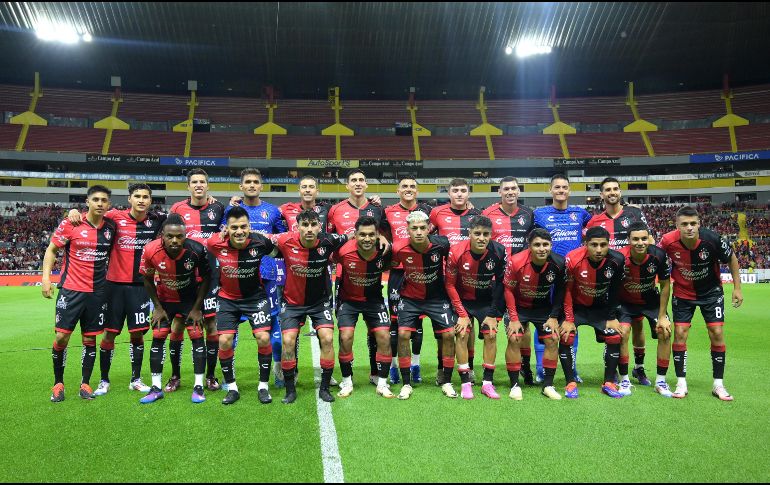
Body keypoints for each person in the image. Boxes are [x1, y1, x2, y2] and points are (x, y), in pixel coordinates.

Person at [66, 183, 163, 395]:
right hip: (113, 287)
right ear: (129, 199)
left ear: (150, 200)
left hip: (140, 287)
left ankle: (136, 379)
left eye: (145, 197)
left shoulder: (157, 220)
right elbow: (93, 213)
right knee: (109, 334)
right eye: (137, 196)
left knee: (138, 335)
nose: (141, 200)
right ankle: (104, 380)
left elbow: (178, 219)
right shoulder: (114, 217)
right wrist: (74, 212)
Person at [658, 206, 743, 401]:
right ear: (677, 226)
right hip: (682, 292)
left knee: (717, 333)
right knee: (679, 333)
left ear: (699, 224)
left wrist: (737, 288)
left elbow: (731, 259)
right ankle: (681, 382)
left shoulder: (712, 239)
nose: (689, 228)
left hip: (711, 293)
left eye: (693, 223)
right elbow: (656, 257)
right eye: (685, 224)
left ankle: (718, 384)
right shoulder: (668, 241)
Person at [43, 185, 116, 402]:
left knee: (89, 338)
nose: (100, 203)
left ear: (109, 205)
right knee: (62, 336)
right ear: (87, 202)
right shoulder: (71, 223)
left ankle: (85, 383)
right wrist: (46, 279)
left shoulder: (111, 226)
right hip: (71, 290)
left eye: (104, 200)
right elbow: (51, 250)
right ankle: (58, 383)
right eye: (96, 199)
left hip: (97, 292)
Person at [270, 210, 349, 404]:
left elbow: (352, 234)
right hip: (293, 303)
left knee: (328, 338)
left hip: (319, 303)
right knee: (288, 341)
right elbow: (263, 236)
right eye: (305, 225)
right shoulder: (285, 240)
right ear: (297, 227)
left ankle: (324, 388)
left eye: (314, 225)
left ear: (319, 226)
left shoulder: (329, 240)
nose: (309, 229)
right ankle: (290, 390)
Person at [207, 206, 278, 405]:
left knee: (263, 338)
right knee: (224, 341)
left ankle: (263, 386)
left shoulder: (260, 242)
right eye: (234, 227)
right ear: (226, 229)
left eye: (244, 226)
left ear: (250, 227)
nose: (239, 231)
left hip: (255, 298)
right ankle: (232, 388)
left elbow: (277, 253)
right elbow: (209, 243)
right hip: (227, 299)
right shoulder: (215, 243)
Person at [225, 168, 287, 389]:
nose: (252, 185)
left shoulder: (272, 211)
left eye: (256, 182)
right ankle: (227, 377)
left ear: (261, 186)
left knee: (272, 328)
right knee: (229, 332)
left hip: (266, 275)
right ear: (241, 186)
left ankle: (278, 372)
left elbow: (283, 237)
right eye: (247, 182)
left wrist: (271, 237)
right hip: (236, 276)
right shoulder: (230, 211)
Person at [139, 214, 211, 404]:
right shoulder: (150, 250)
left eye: (179, 236)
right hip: (165, 301)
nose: (175, 240)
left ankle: (198, 386)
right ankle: (156, 388)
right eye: (170, 236)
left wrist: (197, 308)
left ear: (185, 236)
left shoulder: (196, 250)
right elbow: (146, 278)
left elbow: (206, 279)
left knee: (196, 336)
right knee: (159, 336)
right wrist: (157, 307)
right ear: (162, 235)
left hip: (190, 300)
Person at [586, 177, 652, 385]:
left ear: (620, 192)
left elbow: (649, 240)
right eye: (607, 190)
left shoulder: (634, 214)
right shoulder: (594, 221)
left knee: (638, 326)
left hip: (635, 280)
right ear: (601, 195)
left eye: (615, 189)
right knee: (615, 326)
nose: (612, 192)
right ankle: (613, 368)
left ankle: (639, 368)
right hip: (608, 283)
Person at [169, 169, 226, 392]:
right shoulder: (177, 209)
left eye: (202, 181)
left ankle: (210, 375)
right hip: (183, 277)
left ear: (208, 185)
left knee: (211, 325)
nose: (199, 185)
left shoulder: (218, 208)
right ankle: (175, 375)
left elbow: (227, 228)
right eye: (194, 182)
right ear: (188, 186)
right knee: (178, 324)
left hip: (210, 275)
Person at [391, 211, 457, 400]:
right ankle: (406, 383)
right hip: (410, 298)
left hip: (437, 298)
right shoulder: (398, 247)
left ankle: (446, 381)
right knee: (403, 334)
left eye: (422, 228)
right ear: (407, 230)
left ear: (429, 228)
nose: (419, 232)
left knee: (449, 334)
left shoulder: (442, 244)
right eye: (414, 228)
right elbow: (392, 264)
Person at [327, 169, 386, 378]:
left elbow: (385, 237)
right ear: (347, 185)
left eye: (362, 180)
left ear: (367, 184)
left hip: (371, 276)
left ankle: (375, 372)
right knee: (345, 332)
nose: (358, 183)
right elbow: (329, 239)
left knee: (375, 329)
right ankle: (346, 376)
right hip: (345, 277)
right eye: (354, 180)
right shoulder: (335, 210)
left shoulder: (377, 209)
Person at [533, 174, 592, 383]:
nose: (560, 190)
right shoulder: (539, 214)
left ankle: (572, 368)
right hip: (547, 277)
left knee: (570, 322)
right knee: (544, 321)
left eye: (564, 187)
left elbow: (594, 230)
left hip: (572, 278)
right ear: (550, 190)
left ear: (569, 190)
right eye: (557, 187)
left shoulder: (581, 213)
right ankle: (541, 369)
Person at [444, 216, 507, 400]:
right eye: (477, 233)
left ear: (491, 235)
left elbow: (502, 284)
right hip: (462, 301)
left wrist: (493, 314)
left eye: (486, 234)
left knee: (491, 333)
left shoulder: (499, 251)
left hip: (486, 302)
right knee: (462, 333)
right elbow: (449, 285)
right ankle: (465, 383)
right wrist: (462, 314)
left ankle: (487, 383)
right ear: (469, 233)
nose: (481, 238)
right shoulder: (456, 251)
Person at [561, 226, 626, 399]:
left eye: (603, 245)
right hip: (576, 308)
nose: (598, 250)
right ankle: (570, 383)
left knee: (615, 335)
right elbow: (566, 290)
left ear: (608, 245)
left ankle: (609, 383)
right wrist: (568, 318)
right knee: (566, 335)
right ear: (585, 244)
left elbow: (614, 291)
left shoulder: (617, 260)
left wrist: (611, 317)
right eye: (594, 245)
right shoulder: (572, 259)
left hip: (601, 308)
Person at [482, 176, 536, 384]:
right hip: (494, 279)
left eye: (514, 188)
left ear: (519, 191)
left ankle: (526, 366)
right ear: (500, 192)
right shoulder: (488, 213)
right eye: (506, 189)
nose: (510, 191)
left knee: (524, 326)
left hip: (522, 279)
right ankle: (487, 372)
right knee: (491, 324)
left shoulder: (528, 214)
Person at [503, 228, 567, 400]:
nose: (542, 248)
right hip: (518, 307)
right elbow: (508, 290)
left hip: (543, 309)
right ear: (529, 246)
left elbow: (560, 291)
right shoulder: (516, 261)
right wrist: (514, 319)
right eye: (537, 245)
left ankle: (548, 385)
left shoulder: (559, 263)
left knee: (553, 339)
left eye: (546, 245)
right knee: (514, 337)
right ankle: (515, 385)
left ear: (551, 245)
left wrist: (554, 317)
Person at [334, 216, 394, 398]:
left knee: (384, 336)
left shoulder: (385, 250)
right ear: (355, 235)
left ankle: (382, 382)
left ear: (377, 235)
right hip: (348, 300)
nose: (367, 239)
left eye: (371, 235)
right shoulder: (343, 251)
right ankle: (347, 381)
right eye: (362, 235)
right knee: (345, 337)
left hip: (374, 300)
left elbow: (395, 262)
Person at [429, 178, 481, 385]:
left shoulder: (478, 216)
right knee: (445, 328)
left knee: (469, 326)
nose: (459, 194)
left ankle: (469, 367)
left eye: (463, 191)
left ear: (468, 193)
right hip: (444, 277)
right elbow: (426, 234)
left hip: (470, 278)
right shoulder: (437, 213)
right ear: (449, 193)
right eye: (455, 191)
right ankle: (442, 368)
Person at [383, 177, 433, 385]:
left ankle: (415, 365)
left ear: (418, 191)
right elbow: (377, 230)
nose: (408, 189)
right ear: (397, 191)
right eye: (404, 186)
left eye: (412, 186)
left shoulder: (429, 212)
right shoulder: (387, 212)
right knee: (395, 323)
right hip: (397, 273)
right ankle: (394, 366)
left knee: (417, 323)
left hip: (418, 272)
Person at [618, 222, 673, 397]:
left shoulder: (659, 255)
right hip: (625, 303)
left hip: (651, 301)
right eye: (635, 239)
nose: (640, 243)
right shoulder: (619, 258)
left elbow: (665, 285)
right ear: (628, 240)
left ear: (649, 238)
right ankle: (624, 378)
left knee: (664, 331)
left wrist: (663, 315)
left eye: (643, 238)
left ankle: (660, 381)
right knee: (623, 332)